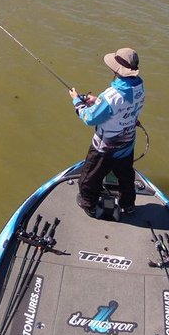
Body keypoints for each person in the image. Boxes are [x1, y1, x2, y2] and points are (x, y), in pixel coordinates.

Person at [69, 47, 145, 217]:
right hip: (127, 144)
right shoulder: (139, 85)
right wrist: (98, 101)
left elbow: (89, 118)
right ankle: (128, 205)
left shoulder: (112, 95)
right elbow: (123, 106)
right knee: (126, 177)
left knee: (90, 177)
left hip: (105, 148)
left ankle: (88, 203)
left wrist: (77, 101)